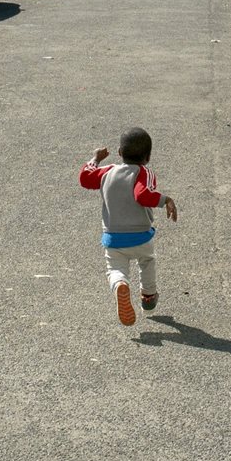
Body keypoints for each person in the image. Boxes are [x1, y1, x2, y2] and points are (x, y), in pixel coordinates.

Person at [79, 127, 178, 327]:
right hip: (141, 236)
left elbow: (85, 178)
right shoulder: (144, 172)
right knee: (147, 262)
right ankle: (148, 297)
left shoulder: (108, 171)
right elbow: (142, 195)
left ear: (119, 152)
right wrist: (165, 199)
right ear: (148, 157)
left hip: (114, 239)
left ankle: (120, 285)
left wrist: (95, 159)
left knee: (115, 269)